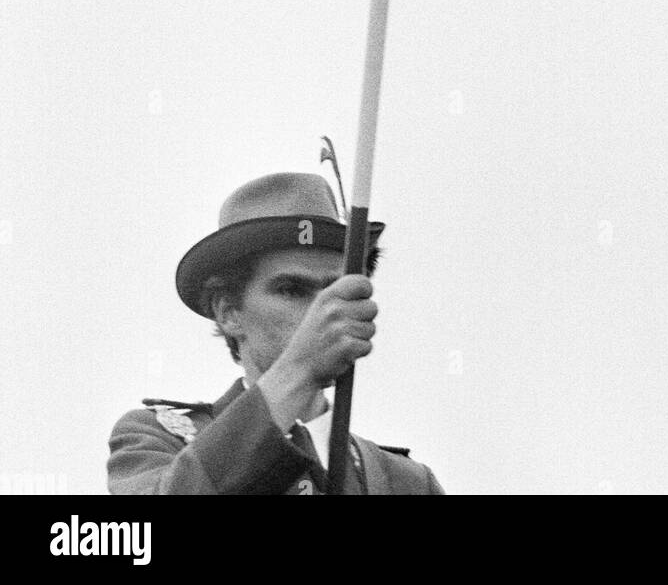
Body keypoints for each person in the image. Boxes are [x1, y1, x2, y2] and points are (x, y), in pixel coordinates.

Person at [107, 172, 444, 495]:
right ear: (229, 313)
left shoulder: (405, 482)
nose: (324, 310)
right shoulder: (161, 437)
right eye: (291, 289)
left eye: (334, 291)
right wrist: (301, 368)